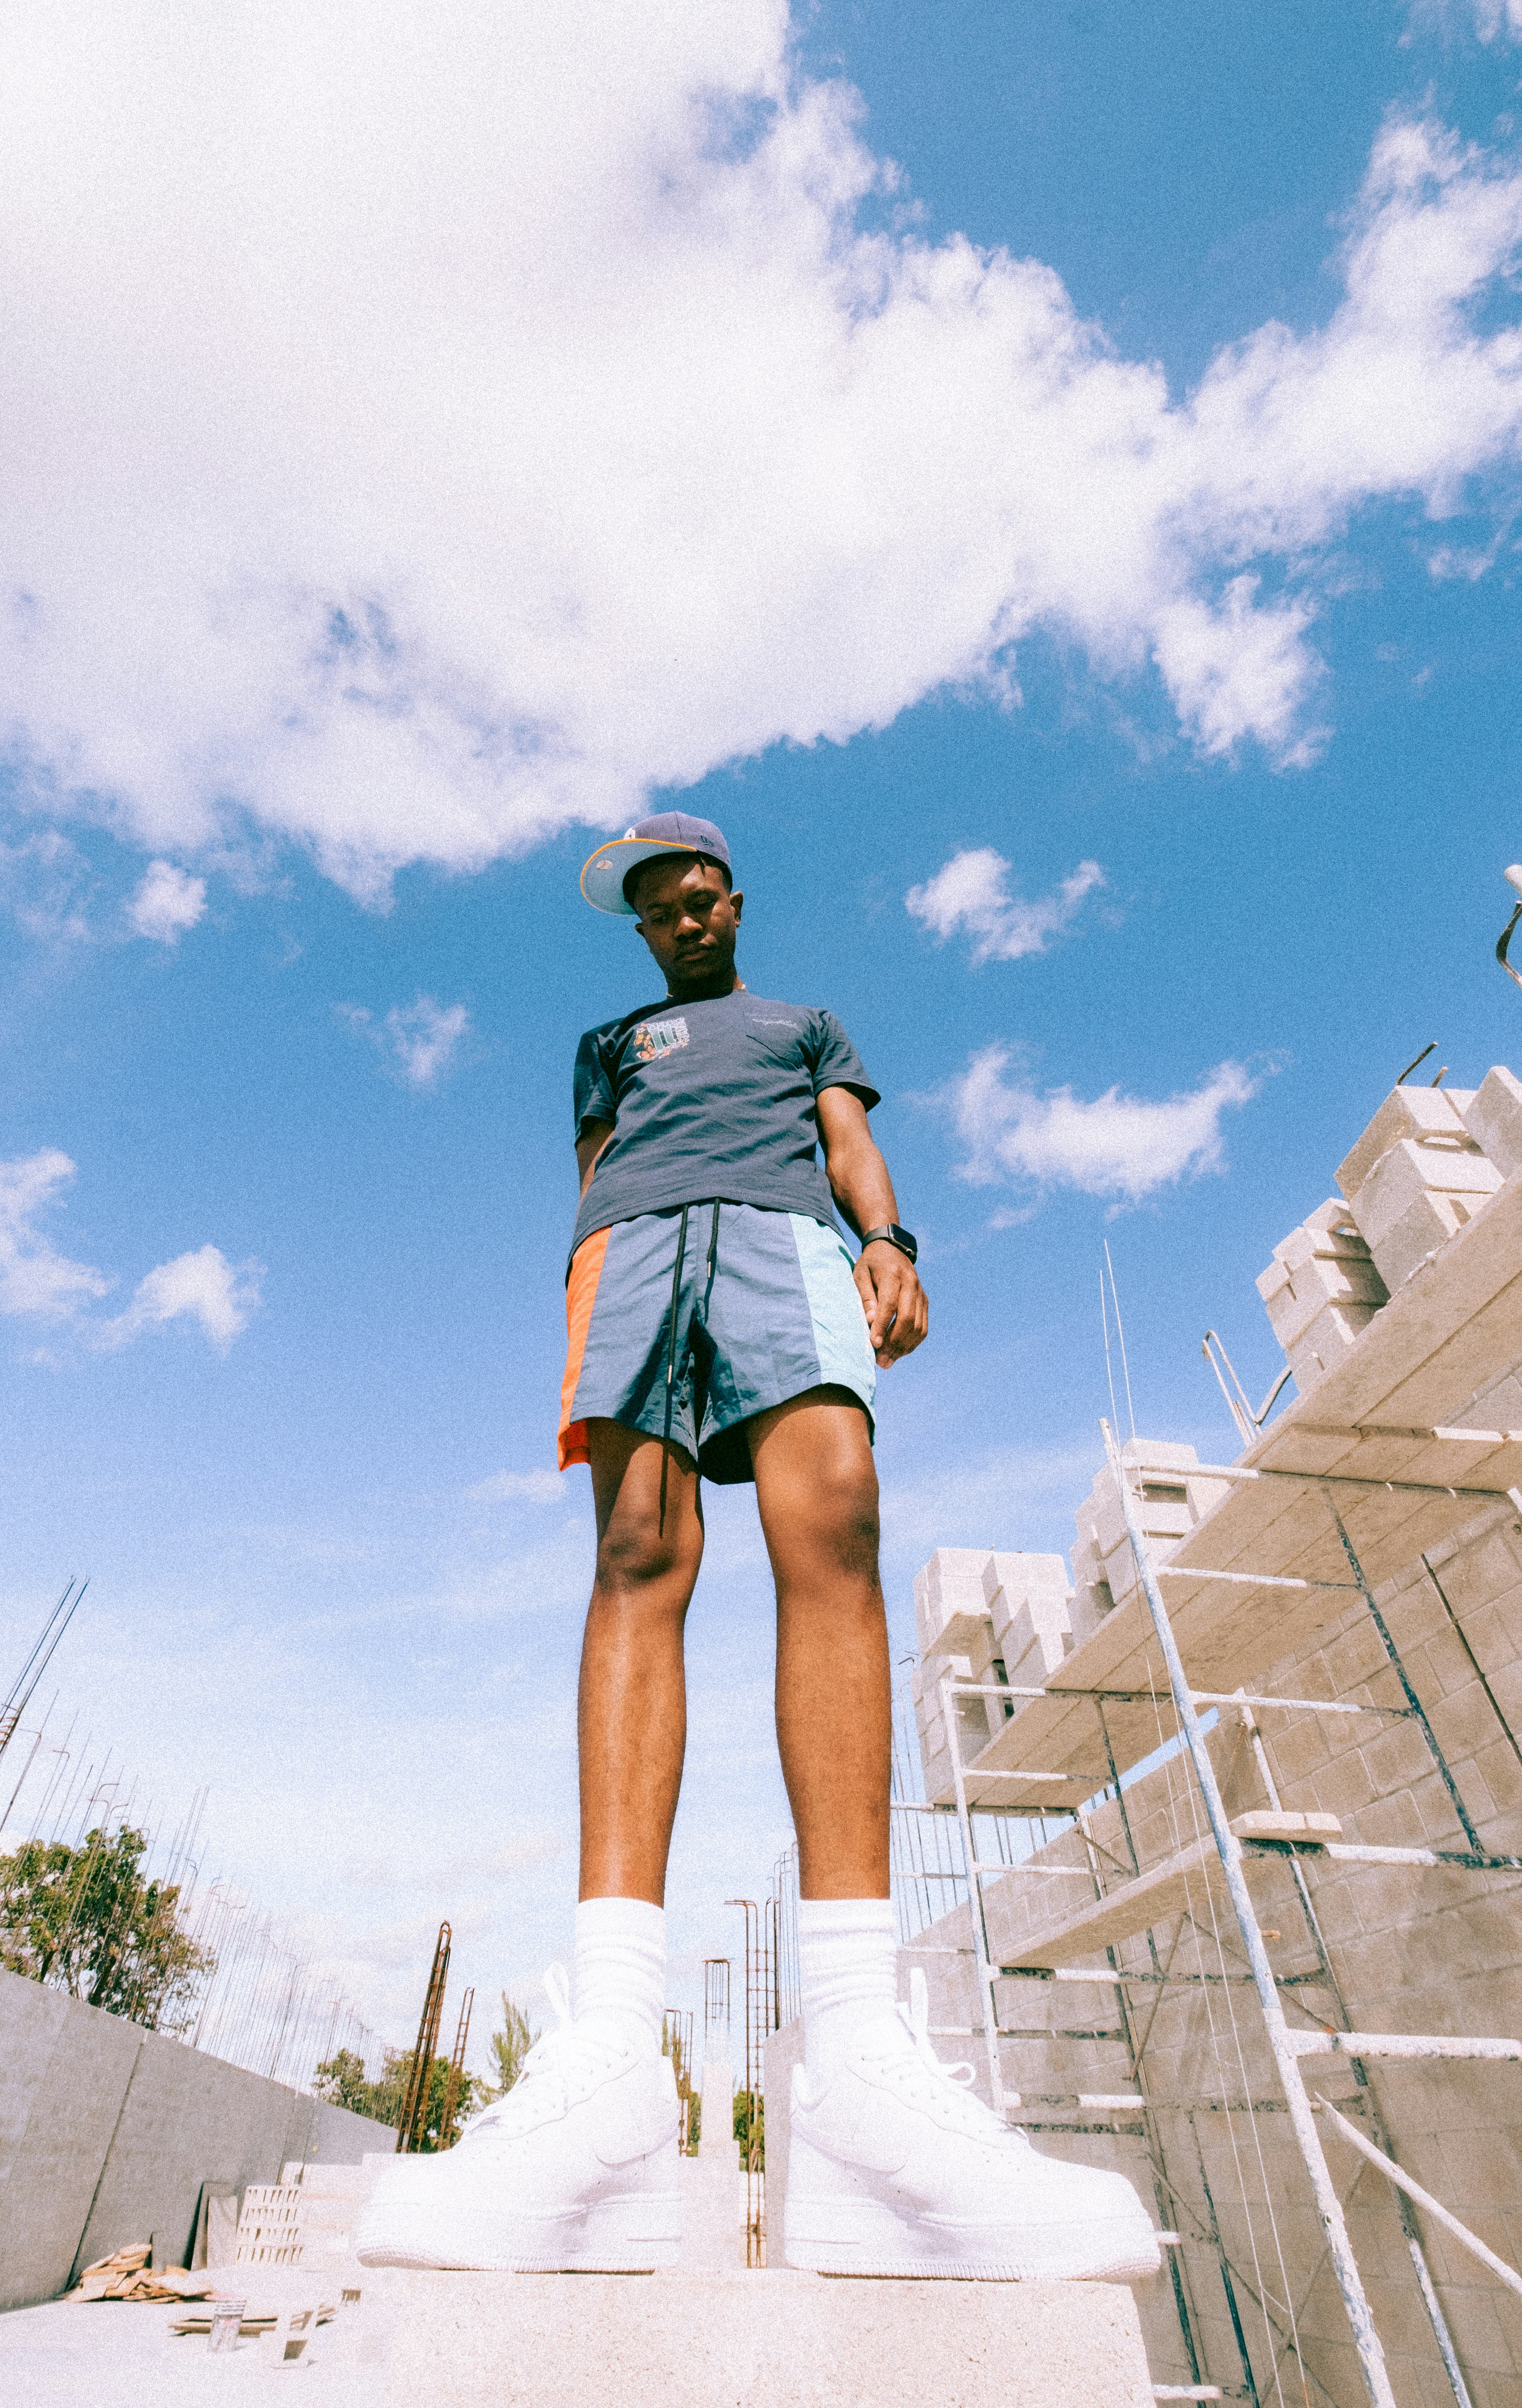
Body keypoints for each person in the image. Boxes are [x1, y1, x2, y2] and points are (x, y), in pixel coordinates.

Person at [357, 813, 1158, 2281]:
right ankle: (607, 2054)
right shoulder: (610, 1043)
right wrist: (600, 1265)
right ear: (643, 932)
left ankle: (855, 2047)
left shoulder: (803, 1025)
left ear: (732, 902)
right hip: (638, 1247)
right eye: (653, 911)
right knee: (640, 1556)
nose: (679, 921)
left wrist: (892, 1242)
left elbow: (850, 1138)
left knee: (837, 1508)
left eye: (696, 898)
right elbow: (599, 1166)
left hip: (788, 1238)